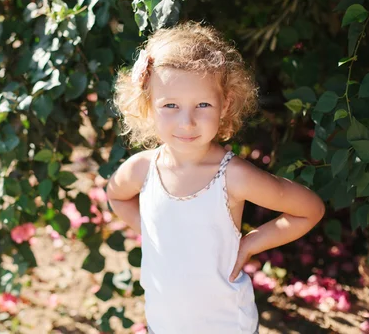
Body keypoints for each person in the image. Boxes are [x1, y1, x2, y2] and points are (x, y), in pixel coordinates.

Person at [105, 21, 325, 333]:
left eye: (203, 104)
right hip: (163, 324)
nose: (187, 121)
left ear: (226, 104)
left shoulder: (232, 177)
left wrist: (250, 244)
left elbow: (310, 209)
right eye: (170, 105)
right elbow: (115, 194)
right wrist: (154, 233)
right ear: (148, 106)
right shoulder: (142, 168)